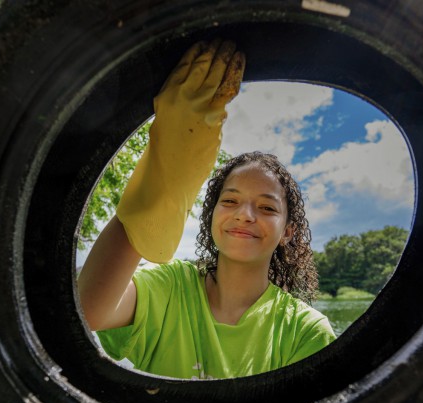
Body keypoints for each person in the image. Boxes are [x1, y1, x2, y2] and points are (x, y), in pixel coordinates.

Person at [77, 39, 335, 380]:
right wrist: (165, 181)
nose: (245, 214)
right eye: (229, 201)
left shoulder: (306, 331)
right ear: (211, 217)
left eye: (267, 207)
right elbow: (88, 311)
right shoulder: (170, 287)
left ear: (288, 231)